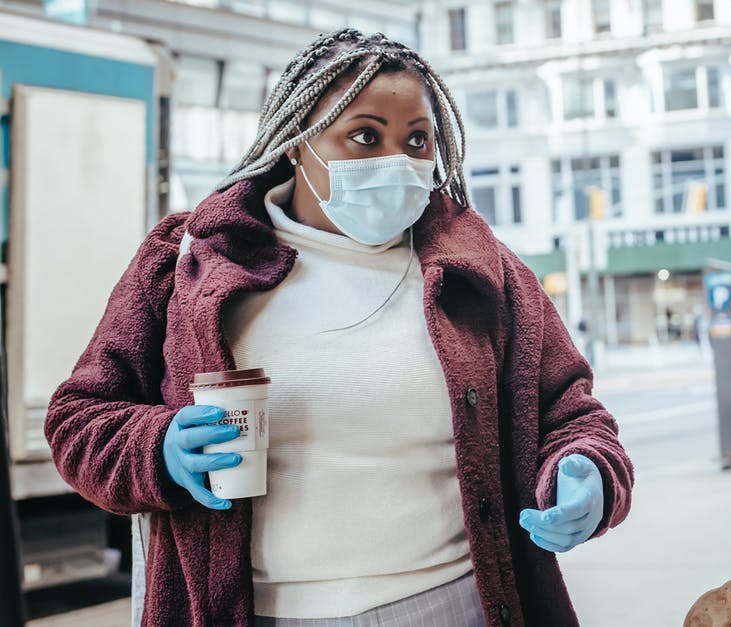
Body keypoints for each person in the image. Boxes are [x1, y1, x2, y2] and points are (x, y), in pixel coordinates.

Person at [44, 30, 633, 627]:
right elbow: (77, 420)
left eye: (417, 140)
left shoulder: (483, 272)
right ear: (299, 143)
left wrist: (587, 473)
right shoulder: (186, 260)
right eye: (364, 135)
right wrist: (159, 448)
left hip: (454, 606)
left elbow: (572, 414)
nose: (396, 160)